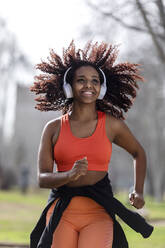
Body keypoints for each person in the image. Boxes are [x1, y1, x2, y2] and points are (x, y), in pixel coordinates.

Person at [30, 41, 153, 248]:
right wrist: (68, 175)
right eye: (81, 80)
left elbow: (138, 153)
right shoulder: (53, 129)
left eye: (95, 81)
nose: (89, 85)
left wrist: (138, 191)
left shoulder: (112, 125)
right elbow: (42, 178)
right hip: (62, 213)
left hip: (98, 213)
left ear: (102, 88)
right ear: (68, 87)